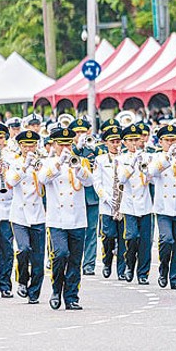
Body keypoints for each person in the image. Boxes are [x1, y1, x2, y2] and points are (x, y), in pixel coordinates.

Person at [38, 127, 93, 310]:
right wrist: (59, 164)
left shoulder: (80, 161)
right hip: (57, 219)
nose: (65, 147)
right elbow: (43, 179)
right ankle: (56, 290)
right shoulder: (49, 162)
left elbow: (89, 181)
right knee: (60, 254)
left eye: (67, 144)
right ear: (54, 144)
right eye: (61, 144)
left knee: (75, 260)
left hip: (78, 218)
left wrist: (77, 168)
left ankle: (71, 297)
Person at [6, 130, 44, 303]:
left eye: (32, 145)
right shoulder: (14, 163)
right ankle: (22, 280)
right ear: (20, 146)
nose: (29, 148)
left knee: (38, 257)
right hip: (20, 214)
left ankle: (34, 292)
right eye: (26, 145)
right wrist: (24, 167)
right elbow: (10, 182)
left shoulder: (41, 163)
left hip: (38, 214)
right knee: (24, 248)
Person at [148, 125, 176, 290]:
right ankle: (164, 268)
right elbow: (151, 172)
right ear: (161, 141)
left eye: (174, 140)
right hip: (163, 207)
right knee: (166, 239)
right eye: (167, 140)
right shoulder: (156, 157)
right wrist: (168, 157)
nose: (171, 143)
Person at [118, 124, 153, 285]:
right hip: (129, 205)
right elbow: (121, 180)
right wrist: (132, 165)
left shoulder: (148, 157)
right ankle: (129, 264)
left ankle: (143, 273)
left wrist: (145, 169)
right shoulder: (120, 159)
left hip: (145, 204)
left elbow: (151, 180)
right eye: (130, 140)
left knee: (145, 241)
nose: (134, 143)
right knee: (132, 237)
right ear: (124, 142)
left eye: (136, 139)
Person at [93, 126, 125, 279]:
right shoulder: (100, 160)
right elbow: (97, 183)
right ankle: (107, 261)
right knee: (109, 236)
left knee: (123, 238)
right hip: (107, 205)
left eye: (118, 141)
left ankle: (121, 270)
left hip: (124, 204)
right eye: (112, 142)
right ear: (106, 143)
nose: (116, 144)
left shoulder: (126, 158)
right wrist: (106, 198)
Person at [70, 118, 100, 276]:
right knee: (74, 232)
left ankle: (89, 264)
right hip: (74, 197)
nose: (81, 135)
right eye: (77, 132)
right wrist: (77, 149)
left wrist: (94, 150)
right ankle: (74, 261)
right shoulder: (69, 149)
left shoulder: (94, 148)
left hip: (91, 196)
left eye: (84, 132)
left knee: (91, 231)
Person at [0, 122, 14, 298]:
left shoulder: (12, 157)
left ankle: (5, 285)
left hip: (7, 209)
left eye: (0, 138)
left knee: (7, 251)